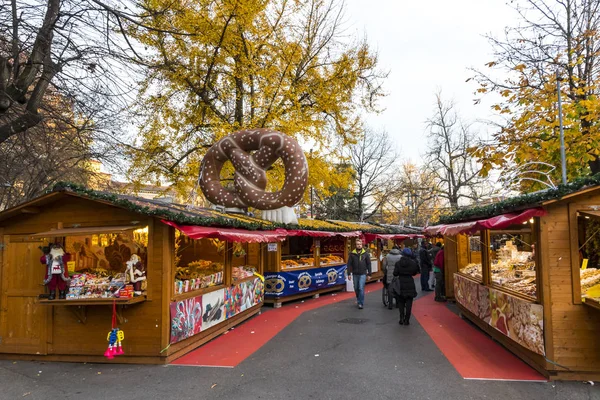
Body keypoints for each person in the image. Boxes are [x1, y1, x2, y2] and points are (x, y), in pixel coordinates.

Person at [392, 247, 419, 325]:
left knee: (401, 302)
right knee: (409, 302)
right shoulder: (413, 263)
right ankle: (407, 319)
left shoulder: (398, 263)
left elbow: (395, 273)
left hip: (401, 282)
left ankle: (401, 317)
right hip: (410, 282)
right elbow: (415, 272)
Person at [347, 238, 372, 309]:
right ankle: (358, 299)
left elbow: (369, 264)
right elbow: (349, 264)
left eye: (360, 244)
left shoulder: (366, 254)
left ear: (362, 245)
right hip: (355, 273)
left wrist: (369, 274)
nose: (359, 246)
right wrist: (349, 274)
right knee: (356, 288)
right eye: (358, 244)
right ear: (355, 245)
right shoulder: (352, 254)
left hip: (363, 273)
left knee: (361, 288)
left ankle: (361, 303)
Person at [382, 245, 402, 310]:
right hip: (398, 274)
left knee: (390, 289)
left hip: (389, 274)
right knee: (398, 288)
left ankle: (390, 304)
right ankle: (397, 304)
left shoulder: (387, 256)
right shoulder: (400, 256)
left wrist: (385, 272)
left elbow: (384, 265)